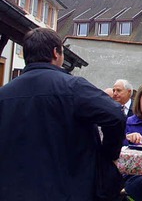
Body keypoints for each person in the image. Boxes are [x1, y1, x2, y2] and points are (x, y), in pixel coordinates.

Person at [0, 27, 126, 200]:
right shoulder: (73, 87)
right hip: (69, 188)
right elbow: (115, 114)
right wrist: (108, 155)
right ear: (56, 53)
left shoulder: (4, 95)